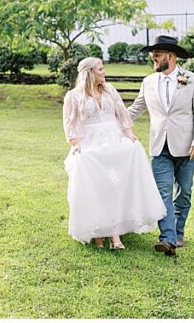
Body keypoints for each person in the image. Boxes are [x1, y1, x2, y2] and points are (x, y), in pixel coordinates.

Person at [63, 57, 166, 249]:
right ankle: (101, 233)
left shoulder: (110, 90)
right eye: (100, 69)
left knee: (115, 187)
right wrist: (75, 144)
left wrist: (130, 135)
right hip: (92, 144)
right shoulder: (73, 96)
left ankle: (114, 233)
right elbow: (70, 123)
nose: (104, 72)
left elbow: (122, 115)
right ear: (90, 72)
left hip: (114, 142)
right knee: (98, 187)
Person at [127, 36, 194, 257]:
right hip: (159, 146)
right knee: (163, 192)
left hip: (186, 147)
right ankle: (168, 239)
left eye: (157, 54)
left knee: (184, 193)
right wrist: (113, 121)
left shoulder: (192, 80)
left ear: (170, 56)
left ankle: (178, 232)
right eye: (152, 54)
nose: (153, 58)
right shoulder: (148, 82)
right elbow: (136, 109)